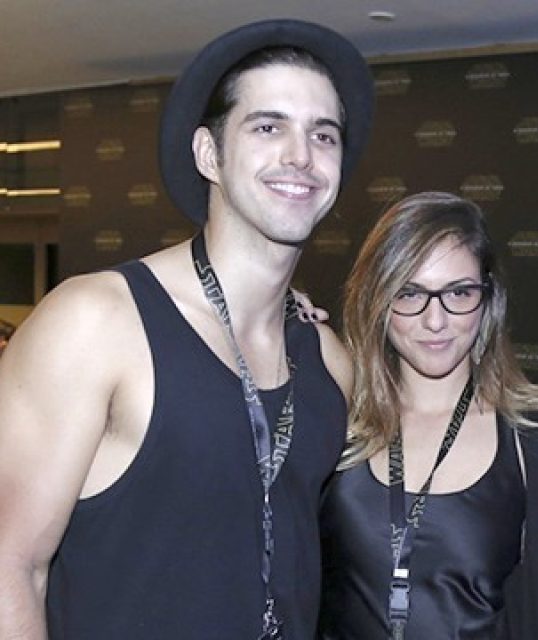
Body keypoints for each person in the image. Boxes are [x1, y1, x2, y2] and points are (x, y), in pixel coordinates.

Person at [0, 19, 373, 639]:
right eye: (268, 126)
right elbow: (10, 565)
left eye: (323, 134)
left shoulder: (330, 361)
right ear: (208, 154)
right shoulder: (96, 323)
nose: (301, 155)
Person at [316, 192, 538, 639]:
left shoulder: (537, 444)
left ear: (488, 298)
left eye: (459, 292)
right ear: (376, 299)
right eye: (410, 293)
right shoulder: (334, 423)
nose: (435, 321)